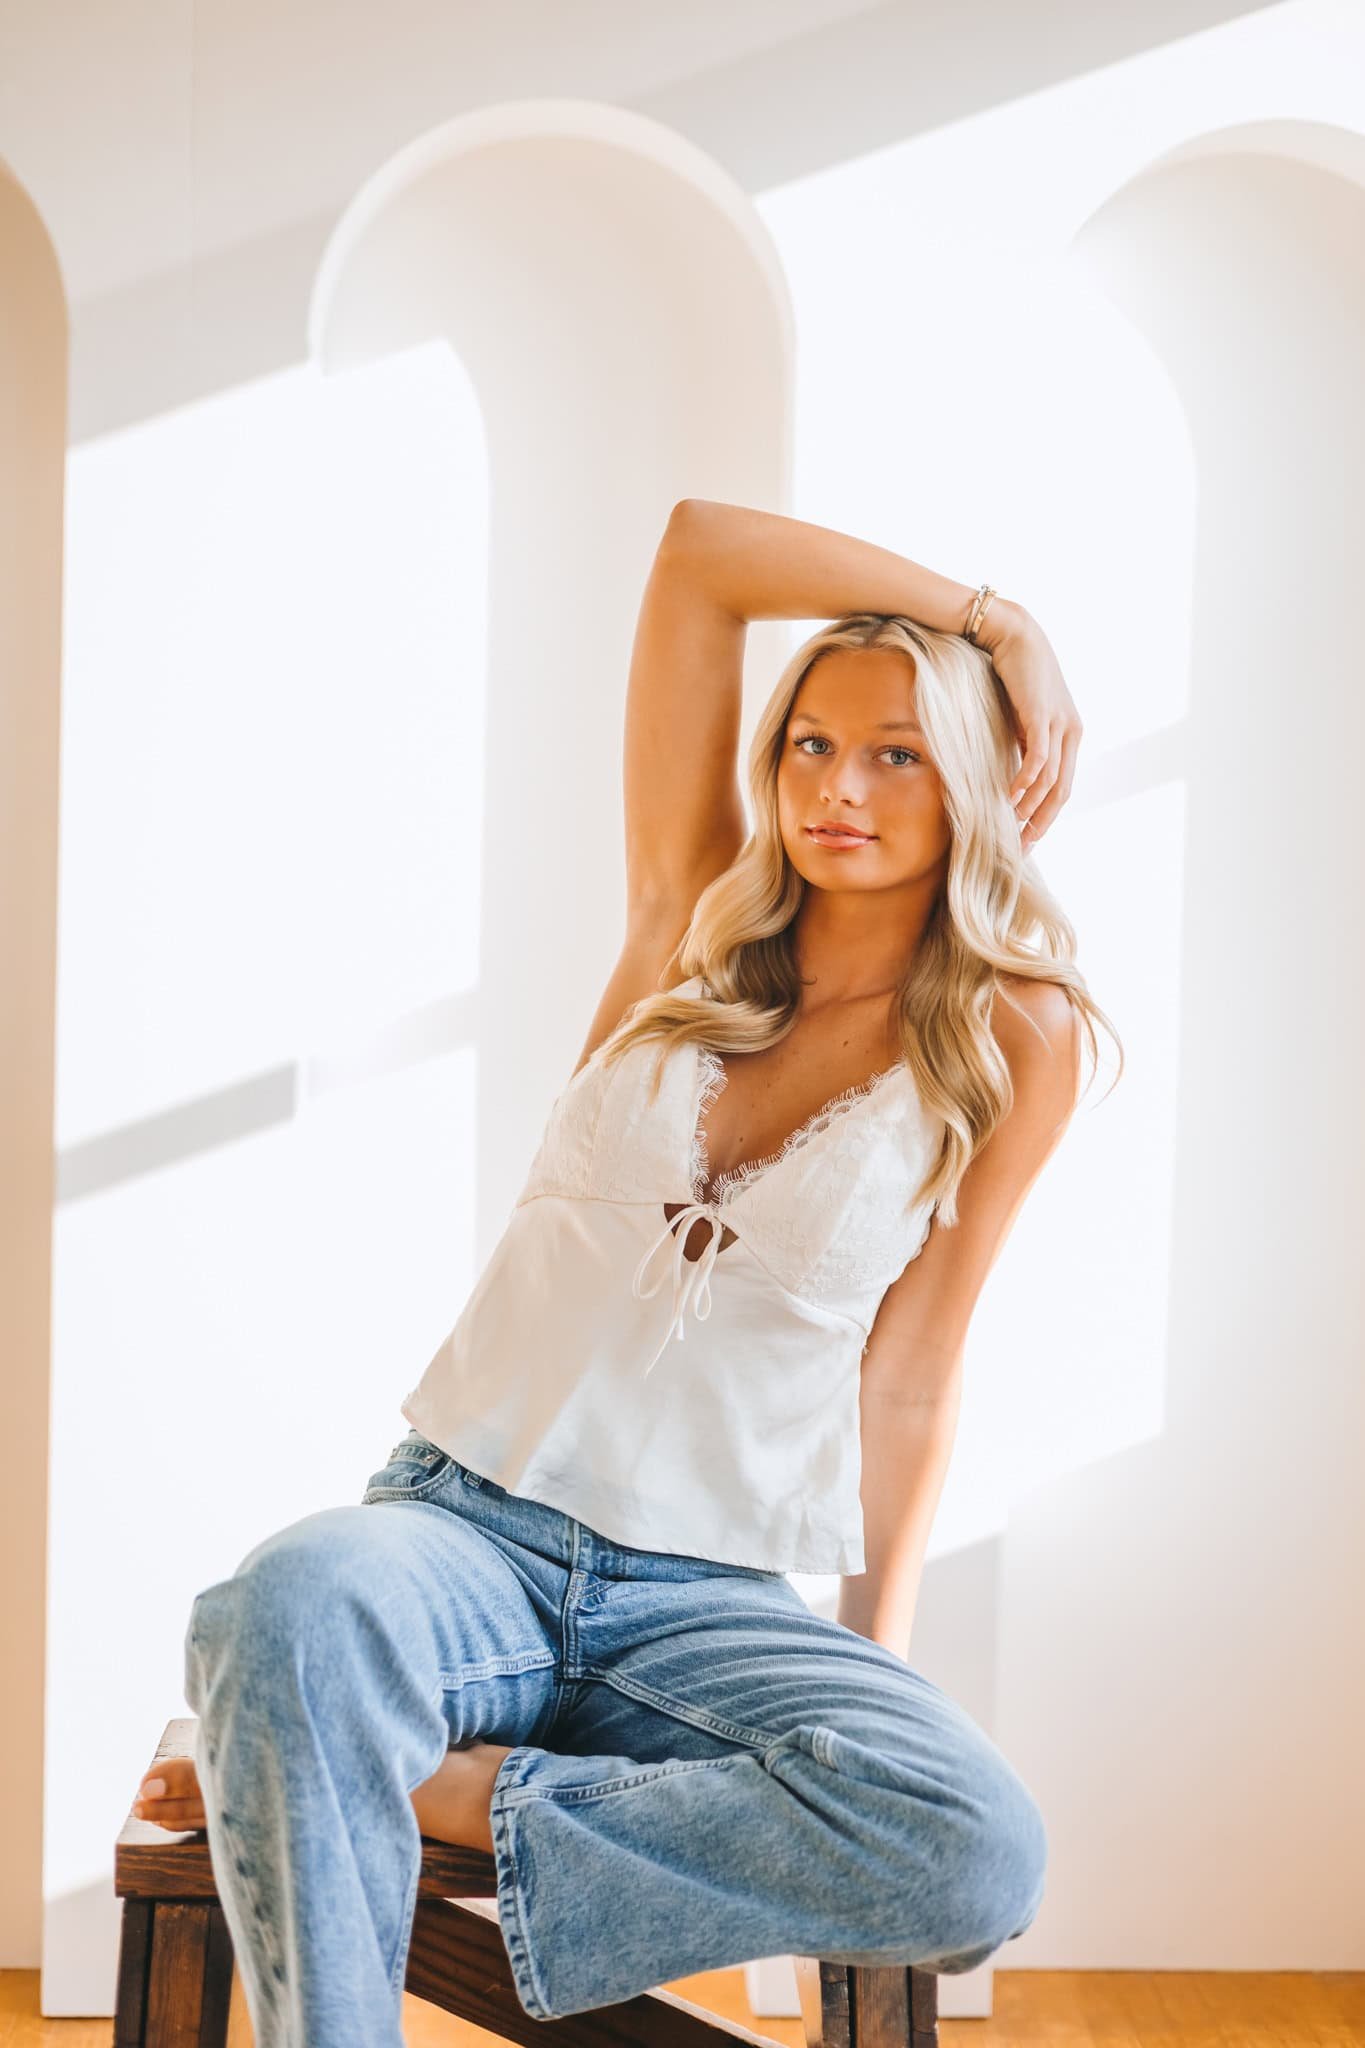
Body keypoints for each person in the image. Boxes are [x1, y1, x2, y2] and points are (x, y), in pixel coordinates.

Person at [134, 498, 1120, 2043]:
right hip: (467, 1532)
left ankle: (424, 1780)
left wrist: (871, 1676)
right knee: (297, 1600)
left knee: (972, 1840)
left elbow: (915, 1371)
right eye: (808, 743)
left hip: (705, 1600)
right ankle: (320, 1742)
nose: (835, 787)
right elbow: (696, 555)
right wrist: (994, 616)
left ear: (981, 782)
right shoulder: (686, 923)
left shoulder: (1013, 1036)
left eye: (894, 753)